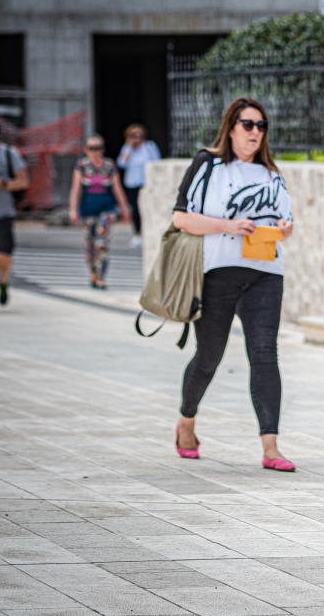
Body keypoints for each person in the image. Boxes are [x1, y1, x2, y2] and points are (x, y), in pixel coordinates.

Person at [171, 97, 296, 471]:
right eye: (247, 124)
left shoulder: (272, 174)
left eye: (261, 125)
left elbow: (285, 221)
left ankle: (271, 446)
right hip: (218, 273)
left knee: (264, 354)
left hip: (265, 273)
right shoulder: (208, 165)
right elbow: (181, 218)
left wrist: (285, 230)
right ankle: (186, 422)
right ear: (230, 127)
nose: (255, 132)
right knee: (209, 357)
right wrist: (228, 226)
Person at [69, 135, 131, 290]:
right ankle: (93, 274)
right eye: (91, 148)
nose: (95, 152)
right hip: (87, 211)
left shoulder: (110, 166)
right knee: (89, 246)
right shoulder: (81, 166)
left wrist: (124, 208)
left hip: (106, 210)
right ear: (86, 150)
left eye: (98, 148)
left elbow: (117, 188)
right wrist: (73, 210)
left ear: (103, 149)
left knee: (102, 244)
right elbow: (75, 189)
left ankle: (101, 277)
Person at [0, 125, 29, 306]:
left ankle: (3, 281)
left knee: (3, 255)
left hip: (3, 212)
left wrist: (3, 184)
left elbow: (24, 181)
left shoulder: (9, 154)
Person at [116, 123, 161, 249]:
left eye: (139, 135)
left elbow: (156, 164)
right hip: (132, 183)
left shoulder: (149, 147)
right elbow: (121, 163)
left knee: (148, 208)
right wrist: (129, 147)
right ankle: (137, 233)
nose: (136, 138)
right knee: (135, 209)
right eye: (133, 135)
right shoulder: (127, 148)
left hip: (146, 184)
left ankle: (149, 233)